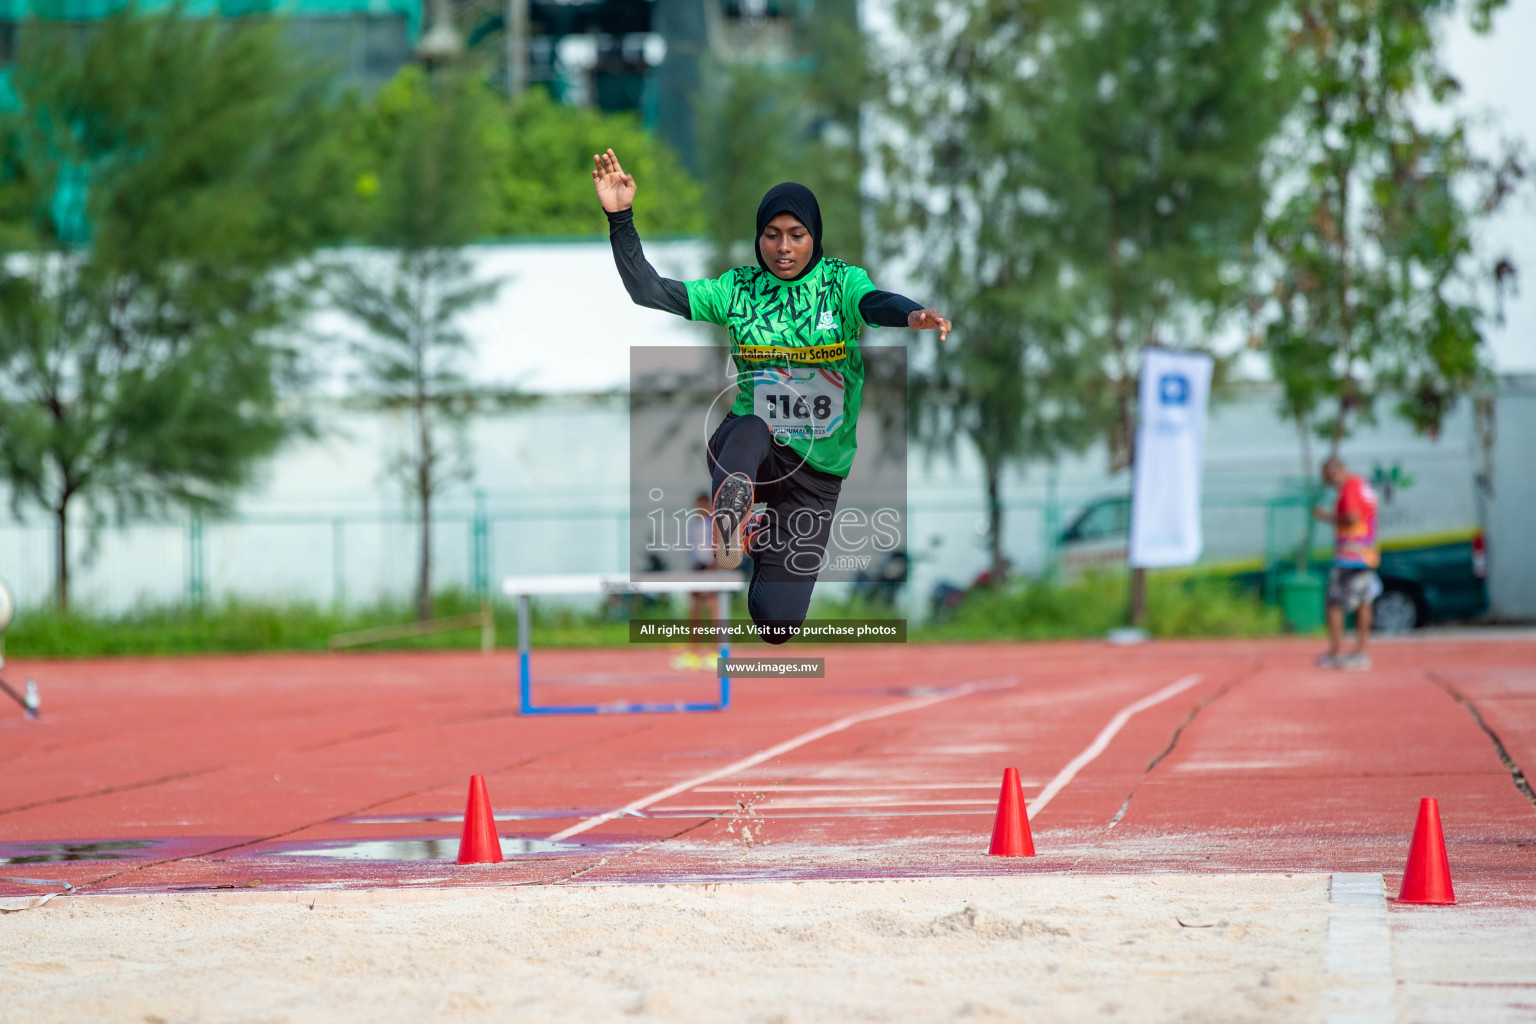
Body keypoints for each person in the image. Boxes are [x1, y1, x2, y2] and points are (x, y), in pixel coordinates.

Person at [593, 149, 951, 645]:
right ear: (759, 236)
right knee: (751, 428)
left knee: (776, 623)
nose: (783, 248)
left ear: (814, 238)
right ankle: (733, 515)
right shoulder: (738, 290)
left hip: (818, 473)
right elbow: (648, 290)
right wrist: (620, 218)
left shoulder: (839, 284)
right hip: (751, 449)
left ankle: (757, 541)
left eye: (796, 236)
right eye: (772, 235)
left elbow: (874, 304)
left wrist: (911, 315)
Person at [1313, 455, 1381, 669]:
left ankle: (1335, 653)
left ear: (1333, 472)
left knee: (1334, 603)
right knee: (1363, 602)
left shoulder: (1349, 486)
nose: (1328, 483)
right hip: (1366, 553)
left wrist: (1327, 516)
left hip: (1350, 555)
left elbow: (1351, 516)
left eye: (1326, 478)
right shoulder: (1362, 485)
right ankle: (1359, 653)